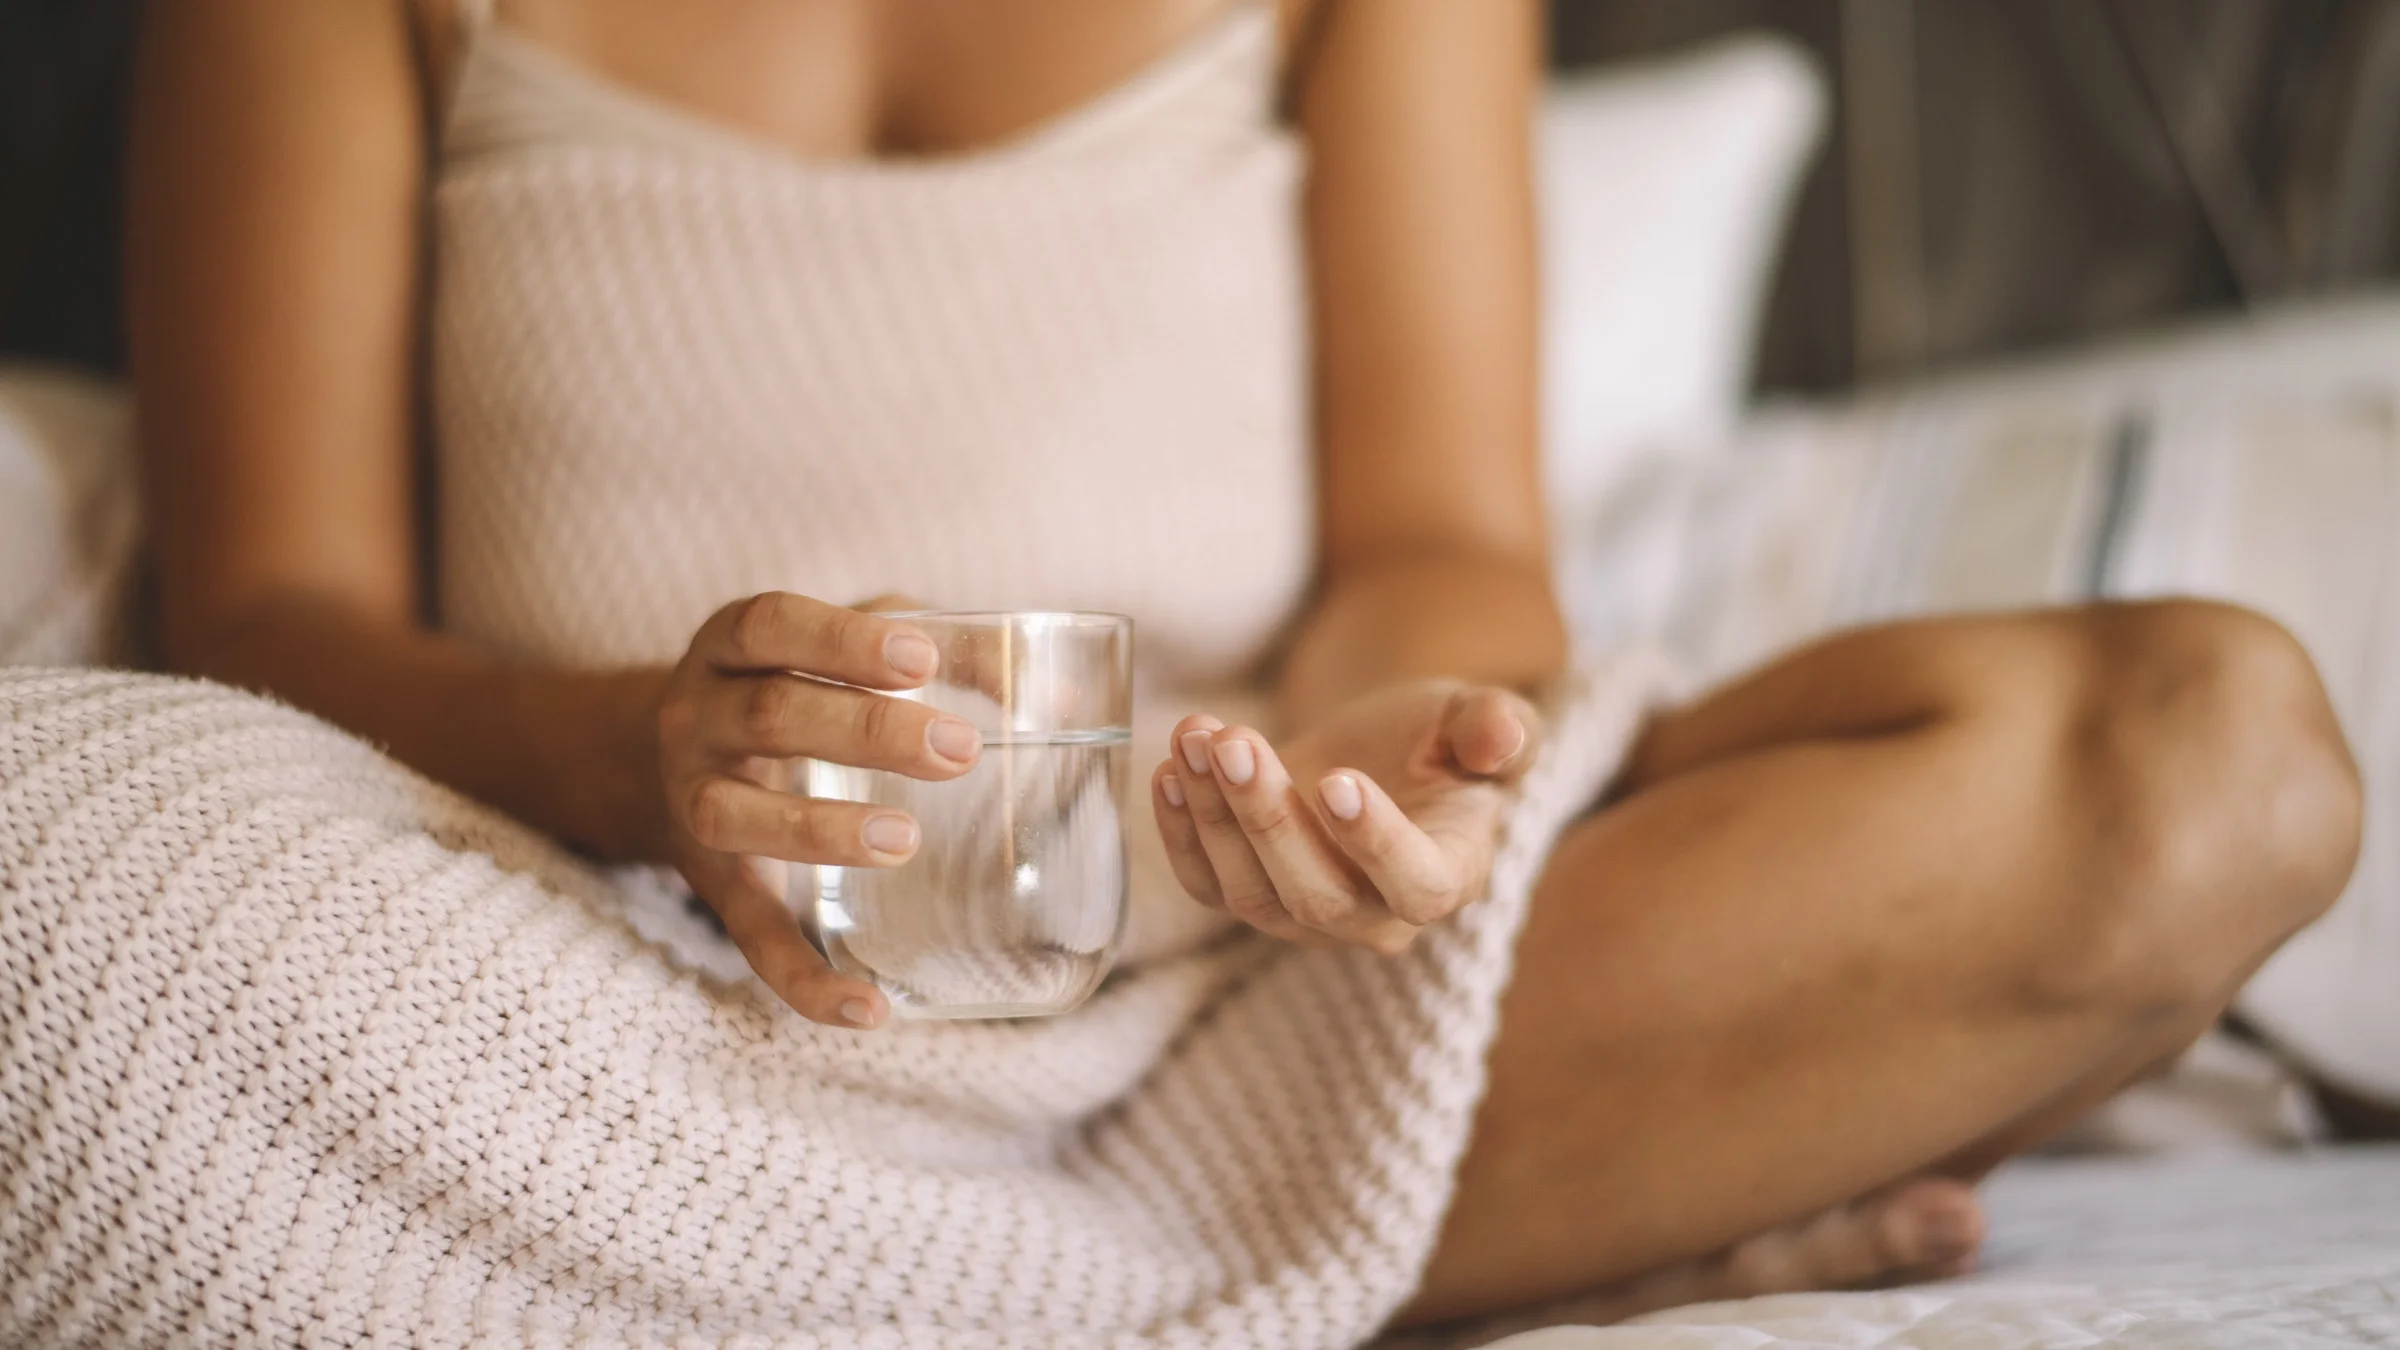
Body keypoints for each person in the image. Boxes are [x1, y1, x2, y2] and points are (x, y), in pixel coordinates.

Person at [0, 1, 2360, 1345]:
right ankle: (1437, 1267)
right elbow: (269, 626)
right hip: (584, 1000)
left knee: (2213, 765)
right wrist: (637, 755)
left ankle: (1016, 1276)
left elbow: (1443, 543)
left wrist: (1348, 772)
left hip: (1268, 996)